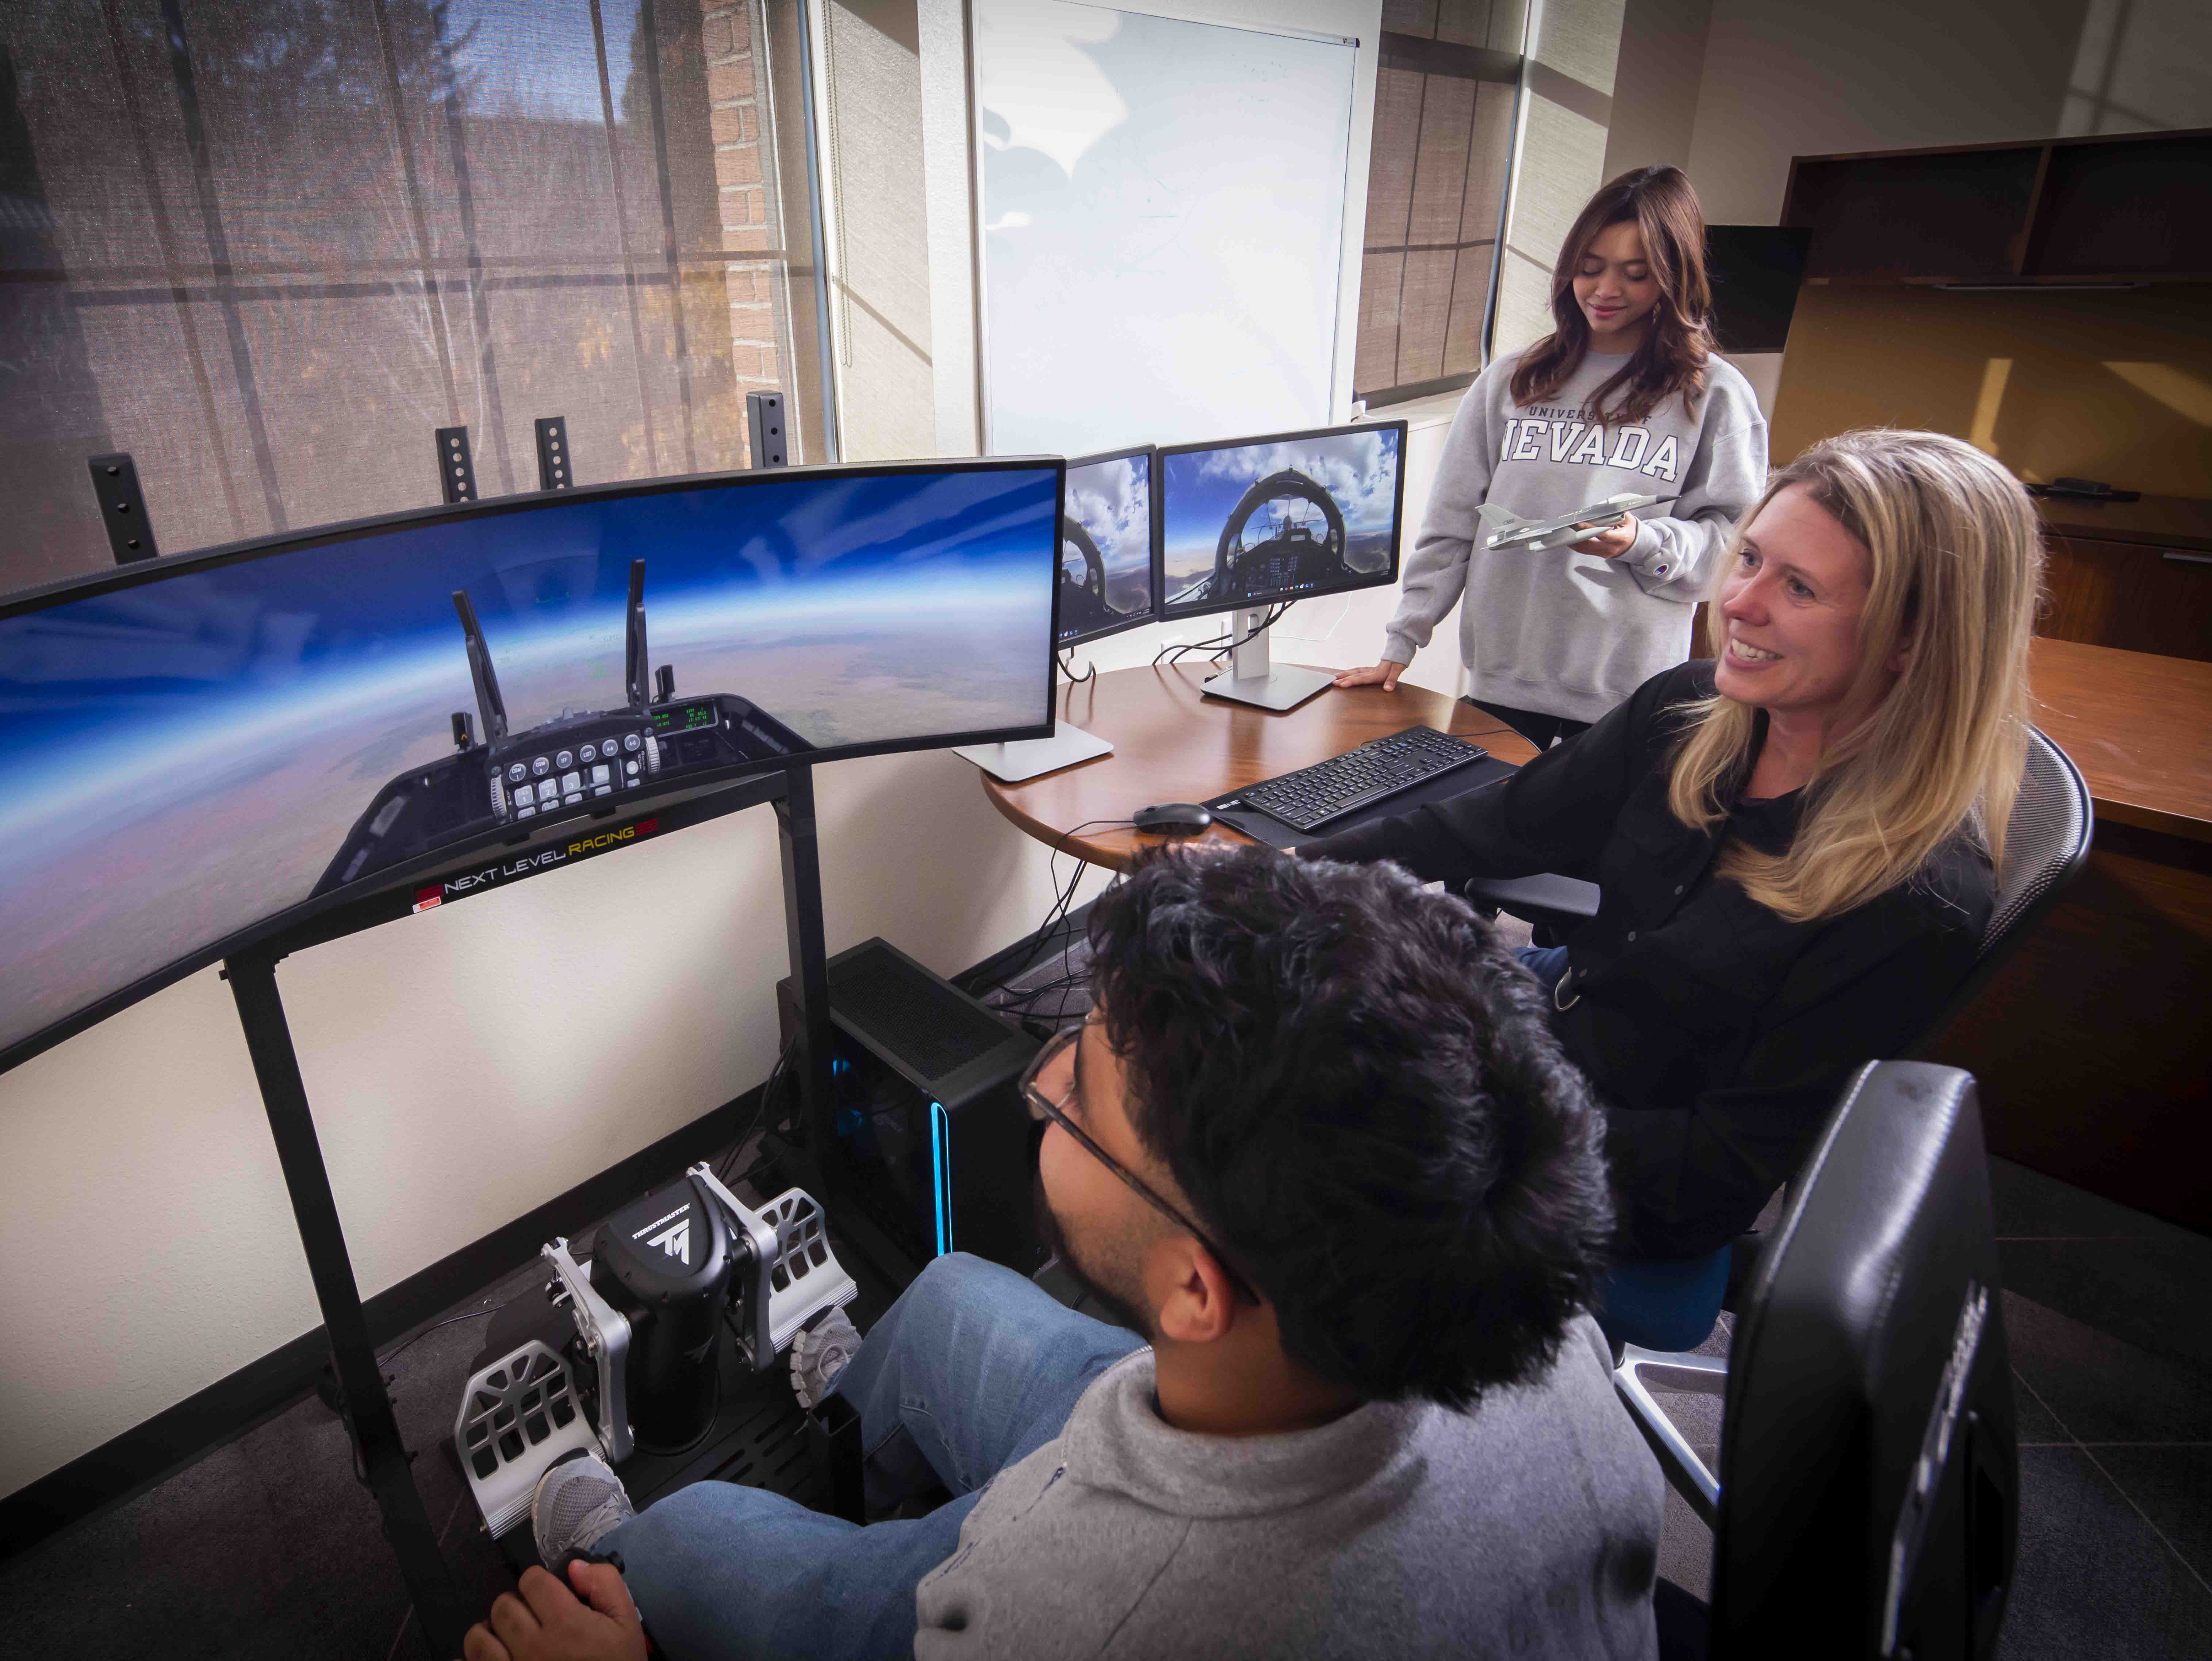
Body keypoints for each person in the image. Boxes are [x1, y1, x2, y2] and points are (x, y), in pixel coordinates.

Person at [458, 846, 1663, 1661]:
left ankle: (602, 1564)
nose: (1037, 1088)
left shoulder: (1083, 1617)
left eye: (1074, 1093)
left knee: (692, 1538)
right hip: (1296, 1464)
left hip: (1141, 1557)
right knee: (944, 1303)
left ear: (1199, 1288)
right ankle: (854, 1456)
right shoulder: (1539, 1323)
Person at [1303, 429, 2041, 1263]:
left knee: (1299, 1168)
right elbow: (1498, 824)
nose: (1737, 604)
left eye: (1797, 588)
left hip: (1622, 1178)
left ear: (1911, 640)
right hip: (1562, 1034)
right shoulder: (1685, 713)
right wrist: (1288, 871)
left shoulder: (1912, 903)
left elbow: (1712, 1167)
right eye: (1751, 559)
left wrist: (1468, 1100)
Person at [1335, 165, 1767, 750]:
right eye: (1588, 269)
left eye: (1635, 275)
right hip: (1500, 685)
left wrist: (1640, 542)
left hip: (1631, 699)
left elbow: (1735, 549)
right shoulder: (1509, 381)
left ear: (1672, 278)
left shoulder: (1711, 394)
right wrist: (1401, 642)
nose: (1604, 291)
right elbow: (1451, 526)